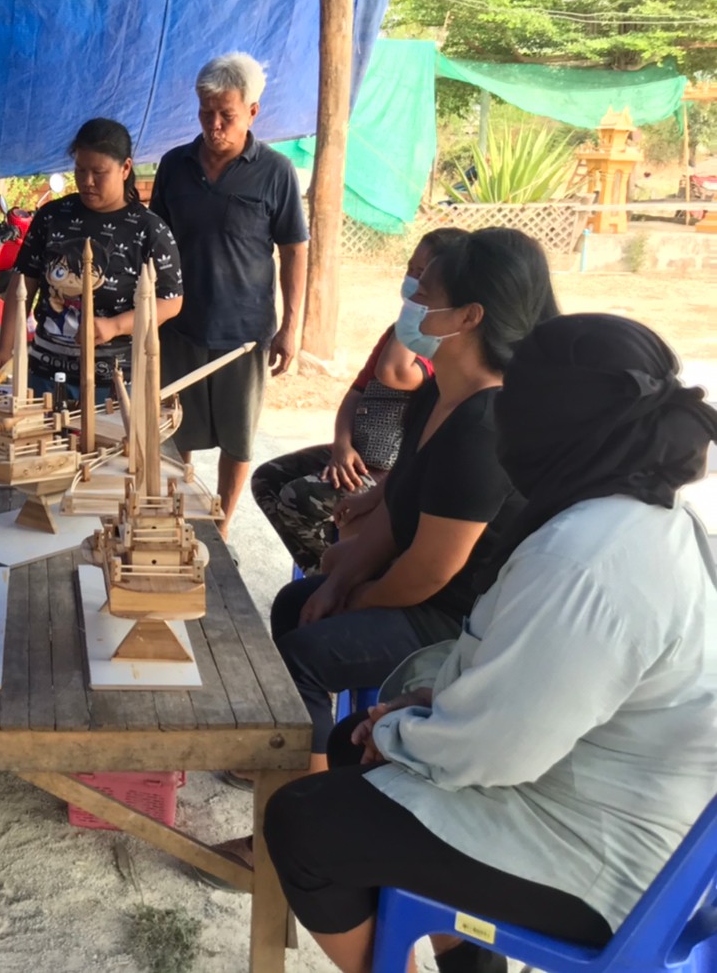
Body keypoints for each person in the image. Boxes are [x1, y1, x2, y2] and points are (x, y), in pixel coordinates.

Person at [263, 313, 717, 973]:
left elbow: (495, 752)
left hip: (610, 861)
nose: (503, 422)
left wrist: (399, 732)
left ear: (553, 423)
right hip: (608, 800)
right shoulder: (648, 519)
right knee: (352, 746)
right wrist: (423, 708)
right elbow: (538, 685)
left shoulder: (586, 558)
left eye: (516, 404)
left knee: (307, 824)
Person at [262, 228, 558, 782]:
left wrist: (360, 597)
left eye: (424, 295)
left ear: (468, 316)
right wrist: (338, 581)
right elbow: (395, 514)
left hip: (457, 619)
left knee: (302, 655)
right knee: (295, 603)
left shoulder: (484, 424)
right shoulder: (440, 395)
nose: (411, 303)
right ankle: (299, 752)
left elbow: (430, 571)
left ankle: (305, 794)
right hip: (423, 594)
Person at [151, 53, 308, 535]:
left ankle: (220, 529)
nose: (214, 125)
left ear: (253, 112)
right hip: (179, 326)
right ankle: (174, 521)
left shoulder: (277, 172)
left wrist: (292, 326)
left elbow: (294, 251)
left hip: (244, 333)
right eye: (205, 112)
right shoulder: (174, 166)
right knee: (175, 430)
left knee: (237, 439)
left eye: (227, 115)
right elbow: (155, 241)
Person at [251, 229, 465, 573]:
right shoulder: (397, 331)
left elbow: (393, 372)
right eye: (410, 269)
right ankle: (323, 570)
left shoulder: (437, 345)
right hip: (354, 455)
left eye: (422, 274)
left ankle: (336, 574)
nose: (412, 280)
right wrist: (342, 445)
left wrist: (414, 313)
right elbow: (355, 394)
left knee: (297, 499)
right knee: (267, 479)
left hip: (387, 473)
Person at [0, 118, 184, 402]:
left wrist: (115, 326)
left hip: (113, 385)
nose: (87, 181)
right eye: (80, 170)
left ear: (125, 168)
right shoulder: (52, 217)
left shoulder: (149, 230)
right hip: (45, 375)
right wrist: (5, 347)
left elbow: (171, 301)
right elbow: (23, 282)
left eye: (99, 172)